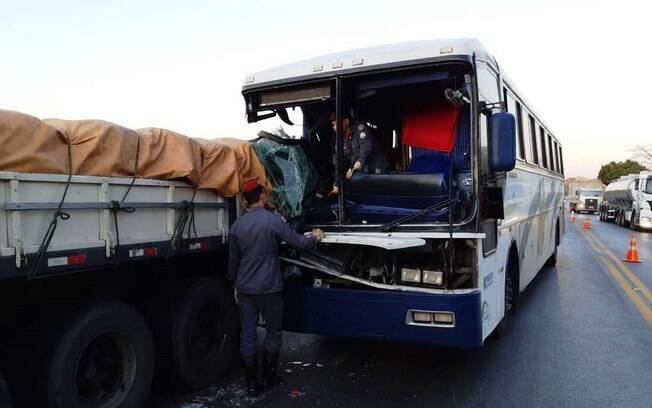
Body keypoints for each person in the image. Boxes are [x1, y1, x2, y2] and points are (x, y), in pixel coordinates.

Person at [228, 179, 325, 395]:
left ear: (245, 200)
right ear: (262, 196)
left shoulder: (237, 225)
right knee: (273, 332)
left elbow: (233, 261)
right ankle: (270, 377)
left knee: (248, 335)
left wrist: (235, 284)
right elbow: (298, 242)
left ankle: (252, 384)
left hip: (245, 288)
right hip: (270, 287)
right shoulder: (273, 221)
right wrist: (315, 237)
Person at [330, 115, 388, 195]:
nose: (335, 127)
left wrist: (357, 163)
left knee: (380, 194)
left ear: (346, 121)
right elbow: (338, 163)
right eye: (333, 125)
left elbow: (366, 147)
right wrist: (336, 186)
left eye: (336, 124)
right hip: (363, 173)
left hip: (377, 169)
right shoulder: (339, 141)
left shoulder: (360, 128)